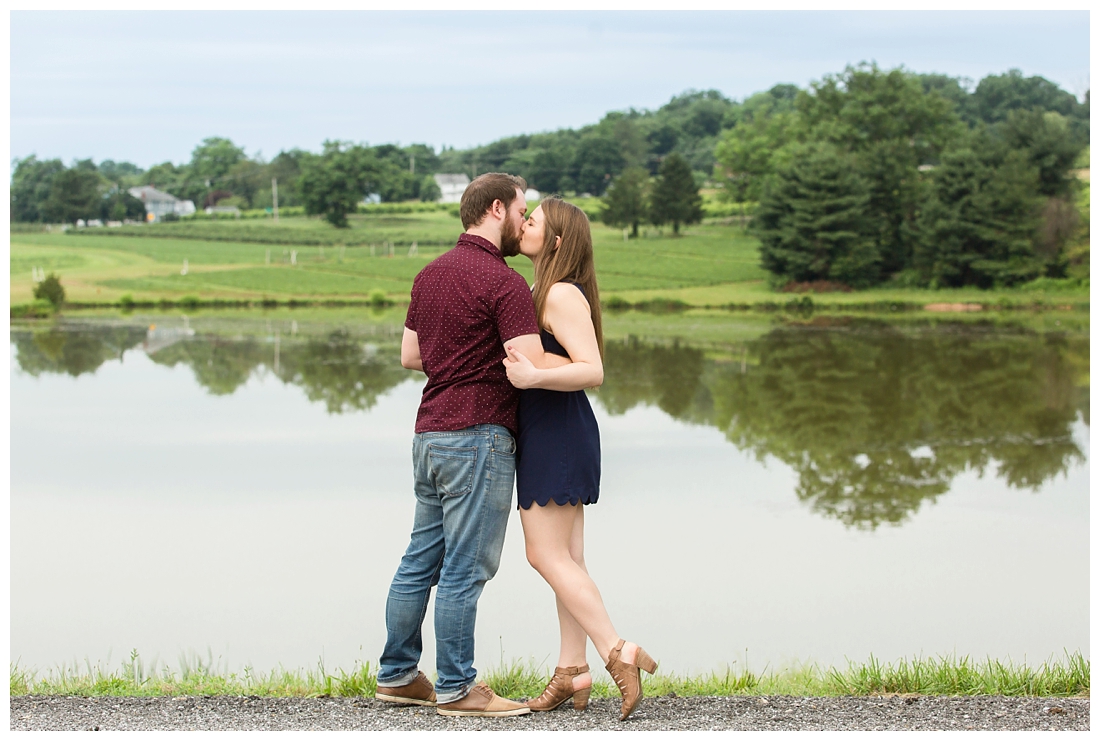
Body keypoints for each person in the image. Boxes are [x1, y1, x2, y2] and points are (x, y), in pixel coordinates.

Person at [375, 173, 566, 718]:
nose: (523, 223)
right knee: (466, 567)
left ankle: (398, 674)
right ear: (497, 208)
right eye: (521, 212)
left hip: (430, 433)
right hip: (479, 436)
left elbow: (411, 356)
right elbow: (527, 361)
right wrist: (584, 361)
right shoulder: (502, 282)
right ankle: (459, 688)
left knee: (420, 559)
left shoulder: (429, 274)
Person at [502, 197, 657, 721]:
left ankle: (617, 650)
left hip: (557, 432)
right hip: (555, 429)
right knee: (568, 558)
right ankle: (572, 670)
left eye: (533, 221)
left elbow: (592, 369)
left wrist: (535, 377)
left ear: (558, 241)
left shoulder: (561, 293)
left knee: (543, 556)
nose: (523, 226)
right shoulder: (543, 289)